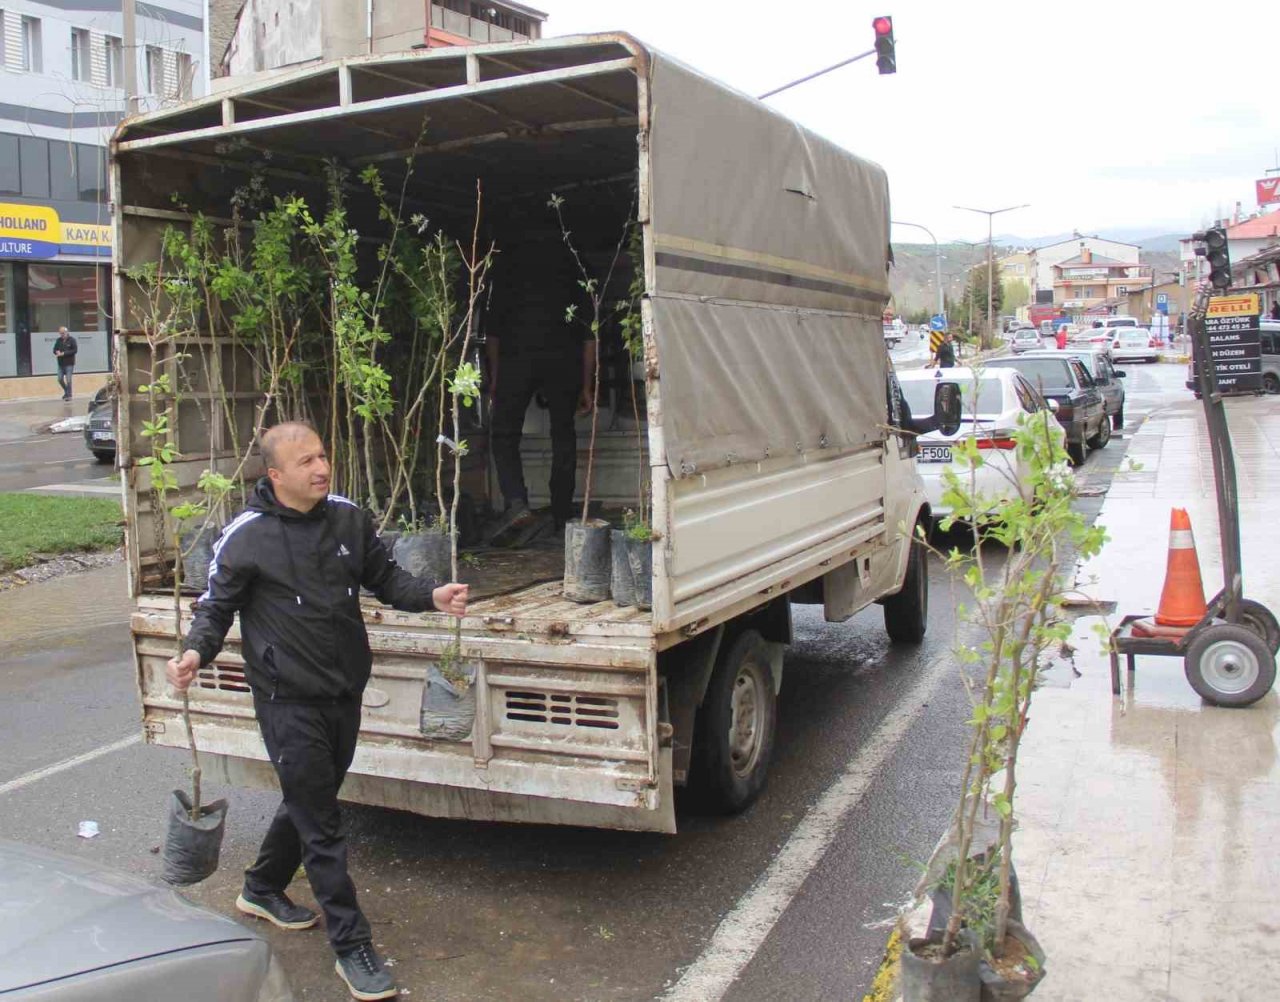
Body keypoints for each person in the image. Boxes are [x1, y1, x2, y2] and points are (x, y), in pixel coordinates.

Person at [166, 421, 468, 1002]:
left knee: (312, 799)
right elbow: (215, 607)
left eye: (323, 456)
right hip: (286, 699)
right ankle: (351, 945)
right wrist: (194, 652)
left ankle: (260, 887)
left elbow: (386, 578)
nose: (320, 468)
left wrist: (431, 597)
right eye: (305, 461)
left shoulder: (347, 518)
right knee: (323, 824)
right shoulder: (247, 536)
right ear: (275, 475)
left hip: (343, 691)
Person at [485, 245, 595, 544]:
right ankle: (561, 512)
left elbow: (492, 330)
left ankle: (517, 502)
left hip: (516, 359)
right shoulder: (574, 262)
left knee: (504, 433)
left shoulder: (506, 264)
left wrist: (495, 378)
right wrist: (586, 385)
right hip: (563, 359)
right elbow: (589, 334)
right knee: (563, 432)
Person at [53, 327, 77, 401]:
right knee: (60, 379)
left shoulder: (72, 340)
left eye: (63, 333)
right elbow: (54, 349)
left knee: (68, 380)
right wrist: (56, 352)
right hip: (60, 363)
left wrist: (64, 353)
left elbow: (74, 350)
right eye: (60, 333)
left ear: (67, 332)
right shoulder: (58, 340)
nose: (62, 335)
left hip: (69, 363)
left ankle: (69, 396)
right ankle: (67, 391)